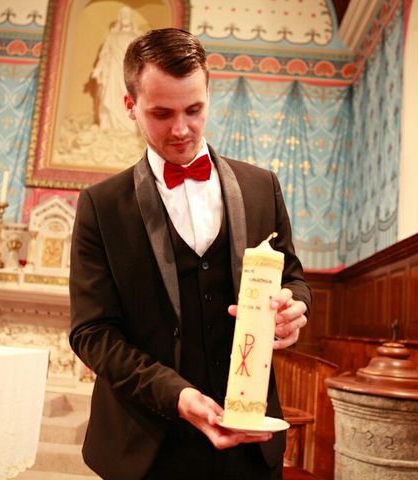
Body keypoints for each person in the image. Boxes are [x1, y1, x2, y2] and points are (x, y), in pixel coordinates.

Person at [69, 28, 311, 480]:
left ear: (208, 96)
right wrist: (176, 396)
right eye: (161, 113)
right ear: (129, 106)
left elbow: (294, 278)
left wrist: (295, 308)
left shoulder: (263, 187)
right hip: (144, 448)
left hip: (250, 441)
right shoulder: (101, 206)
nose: (181, 129)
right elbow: (91, 333)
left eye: (194, 110)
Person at [84, 6, 139, 132]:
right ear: (120, 18)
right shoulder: (113, 36)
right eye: (123, 16)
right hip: (113, 72)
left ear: (131, 19)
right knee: (110, 97)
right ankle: (109, 127)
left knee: (128, 97)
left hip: (128, 73)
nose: (125, 18)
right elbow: (105, 55)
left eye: (127, 16)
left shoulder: (136, 37)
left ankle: (128, 128)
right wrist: (99, 69)